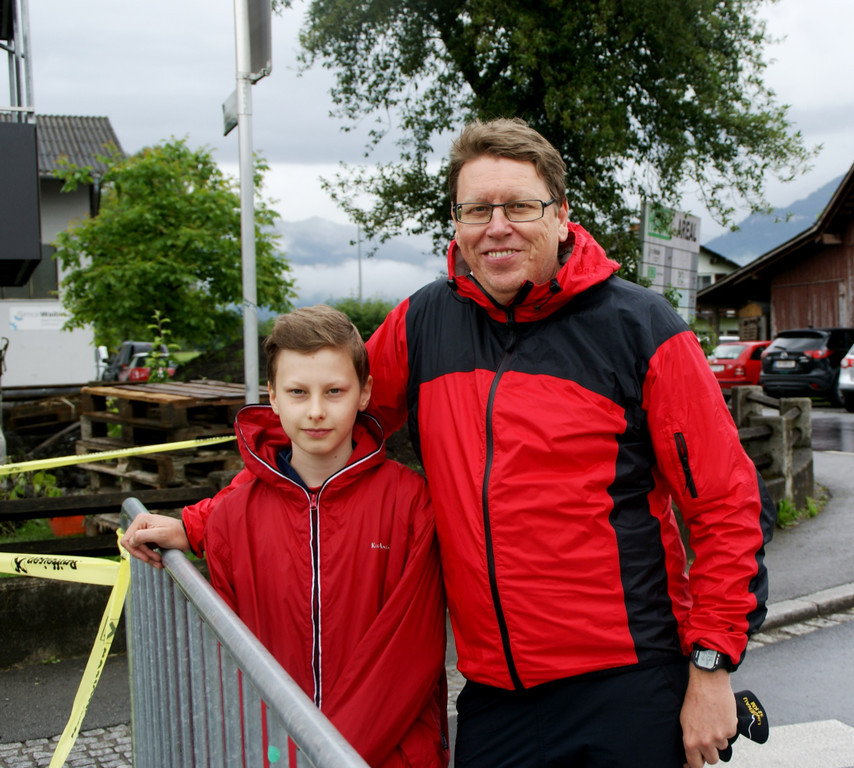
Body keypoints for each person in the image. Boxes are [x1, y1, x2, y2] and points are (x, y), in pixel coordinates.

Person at [125, 118, 774, 768]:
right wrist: (205, 522)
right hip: (495, 693)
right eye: (477, 209)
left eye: (519, 206)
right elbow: (320, 432)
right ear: (457, 224)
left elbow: (727, 505)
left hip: (626, 684)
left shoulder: (639, 327)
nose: (498, 226)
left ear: (561, 215)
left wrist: (711, 669)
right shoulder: (425, 321)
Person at [125, 306, 448, 768]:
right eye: (298, 392)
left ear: (364, 393)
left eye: (334, 391)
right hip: (276, 754)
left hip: (385, 755)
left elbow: (409, 656)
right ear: (273, 397)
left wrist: (321, 755)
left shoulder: (410, 502)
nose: (316, 411)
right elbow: (236, 661)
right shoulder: (232, 516)